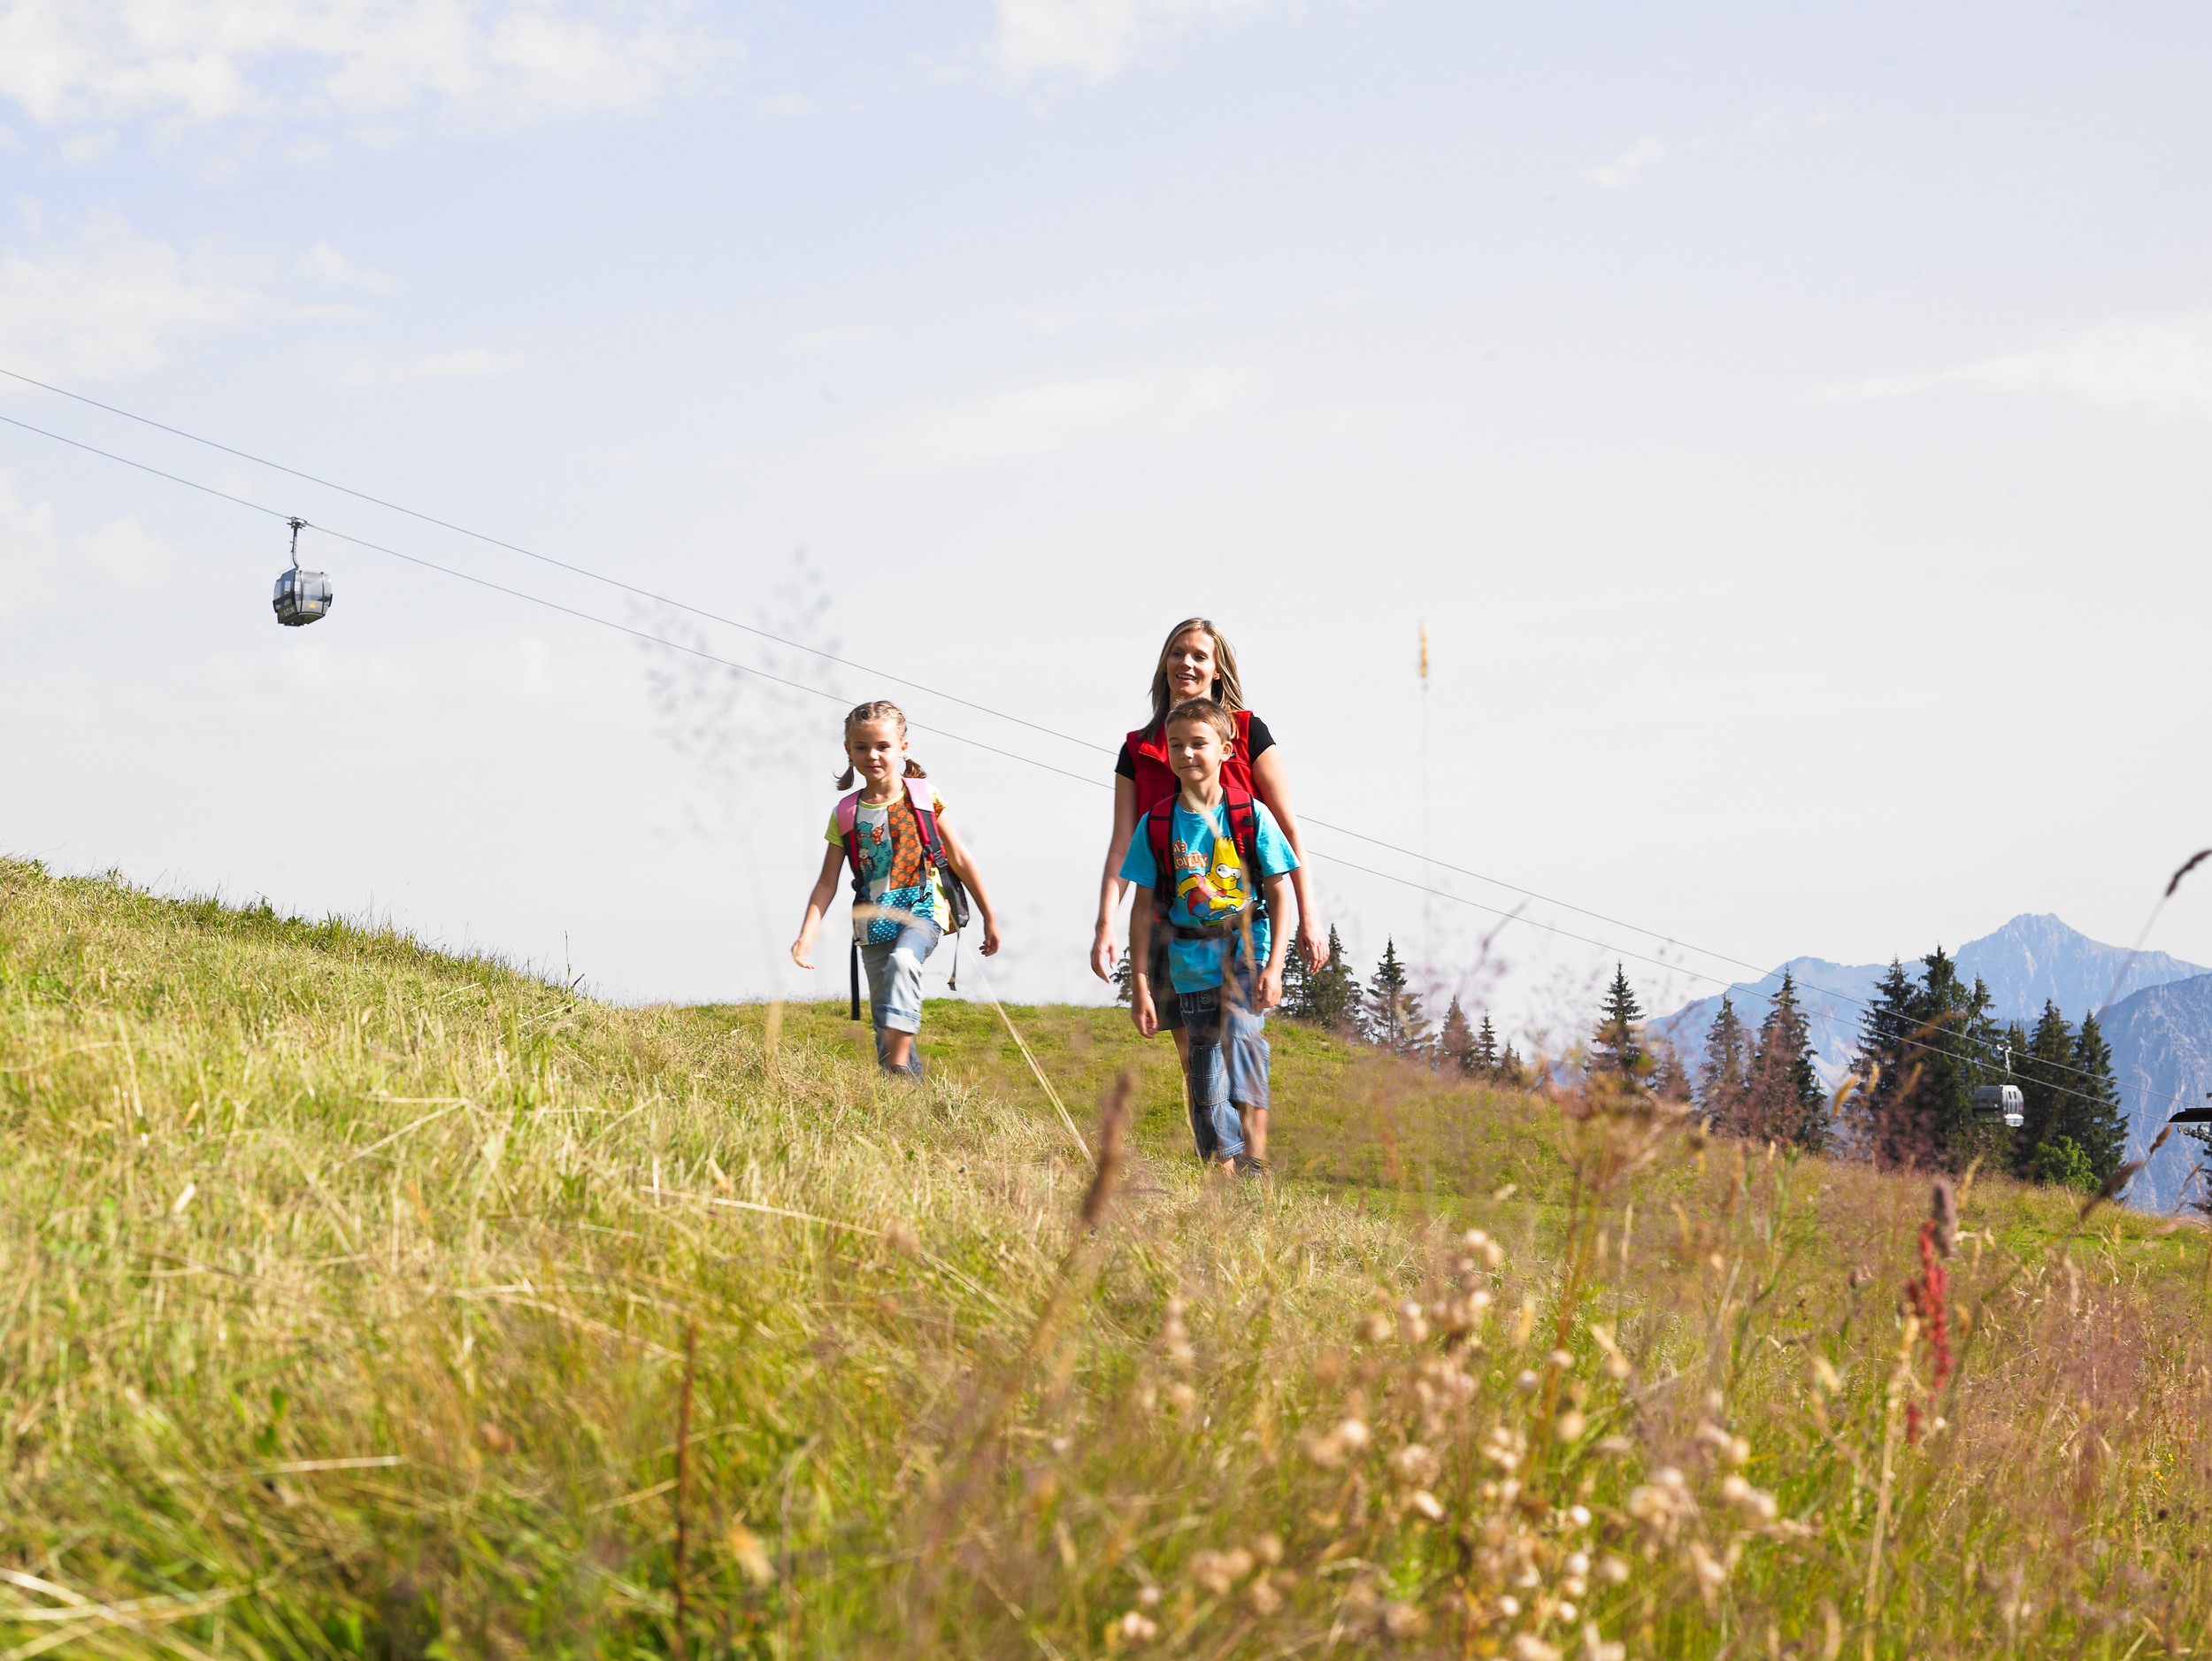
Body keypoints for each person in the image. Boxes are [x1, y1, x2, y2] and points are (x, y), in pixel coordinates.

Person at [1091, 618, 1324, 1097]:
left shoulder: (1247, 732)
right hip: (1170, 924)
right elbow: (1121, 843)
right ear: (1164, 664)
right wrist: (1105, 924)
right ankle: (1218, 1143)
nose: (1187, 663)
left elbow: (1287, 828)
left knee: (1240, 1045)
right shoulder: (1137, 748)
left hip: (1241, 922)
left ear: (1218, 670)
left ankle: (1250, 1140)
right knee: (1197, 1064)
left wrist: (1310, 915)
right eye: (1177, 653)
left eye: (1200, 655)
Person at [1121, 696, 1299, 1173]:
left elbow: (1279, 892)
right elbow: (1141, 908)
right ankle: (1224, 1168)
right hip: (1188, 963)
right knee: (1205, 1071)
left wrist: (1276, 966)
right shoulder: (1156, 824)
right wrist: (1140, 984)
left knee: (1243, 1038)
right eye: (1176, 744)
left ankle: (1254, 1162)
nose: (1186, 753)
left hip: (1247, 951)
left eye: (1198, 743)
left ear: (1226, 749)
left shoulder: (1251, 815)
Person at [792, 699, 1001, 1079]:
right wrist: (806, 936)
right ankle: (905, 1090)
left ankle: (900, 1062)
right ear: (849, 751)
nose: (872, 755)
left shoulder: (923, 797)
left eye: (883, 746)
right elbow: (826, 882)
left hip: (923, 907)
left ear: (903, 748)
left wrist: (989, 916)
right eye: (862, 747)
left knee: (904, 962)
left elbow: (959, 857)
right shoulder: (845, 813)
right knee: (883, 1019)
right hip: (872, 919)